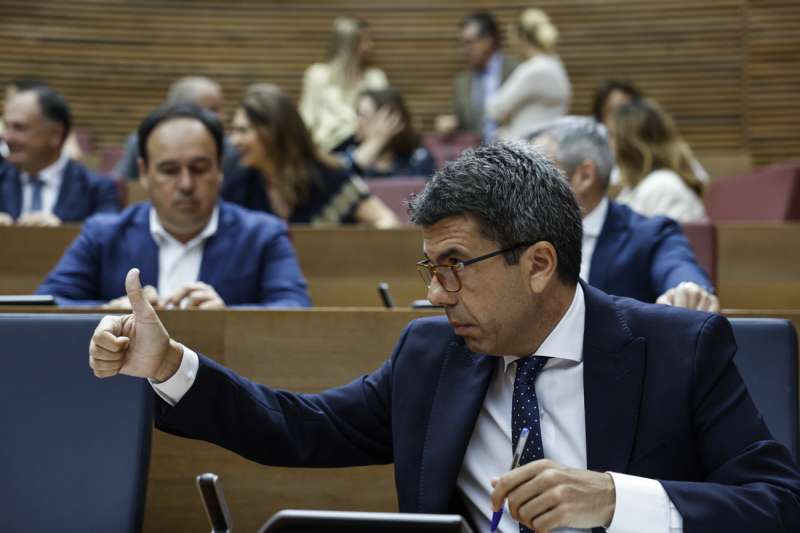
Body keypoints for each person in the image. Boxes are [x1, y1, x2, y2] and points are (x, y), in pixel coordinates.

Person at [90, 141, 800, 533]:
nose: (435, 294)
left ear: (539, 263)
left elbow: (776, 501)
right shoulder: (432, 354)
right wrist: (172, 364)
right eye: (431, 268)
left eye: (456, 266)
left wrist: (619, 499)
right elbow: (297, 428)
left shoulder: (680, 348)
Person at [37, 104, 310, 309]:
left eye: (199, 168)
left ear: (219, 170)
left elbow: (295, 310)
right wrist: (107, 313)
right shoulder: (103, 233)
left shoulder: (264, 235)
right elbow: (45, 305)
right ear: (143, 172)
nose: (186, 184)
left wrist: (229, 317)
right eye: (169, 170)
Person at [529, 116, 718, 309]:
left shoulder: (649, 234)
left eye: (539, 171)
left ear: (584, 176)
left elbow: (677, 268)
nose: (526, 183)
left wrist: (687, 290)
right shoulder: (519, 232)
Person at [223, 83, 399, 227]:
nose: (234, 141)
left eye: (243, 131)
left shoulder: (329, 177)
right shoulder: (239, 183)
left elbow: (387, 221)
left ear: (272, 132)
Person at [0, 85, 118, 226]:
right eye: (7, 127)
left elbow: (109, 241)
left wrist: (59, 234)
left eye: (19, 128)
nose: (6, 137)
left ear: (55, 134)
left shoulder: (97, 189)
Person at [113, 76, 241, 180]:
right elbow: (120, 186)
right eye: (213, 109)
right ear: (184, 109)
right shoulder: (140, 143)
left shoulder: (229, 149)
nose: (222, 117)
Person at [299, 17, 388, 153]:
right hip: (327, 151)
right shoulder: (318, 75)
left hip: (367, 151)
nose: (371, 45)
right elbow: (307, 119)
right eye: (366, 40)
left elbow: (383, 121)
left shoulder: (375, 79)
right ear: (350, 44)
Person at [613, 98, 707, 223]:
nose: (610, 143)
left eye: (612, 136)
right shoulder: (633, 188)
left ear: (629, 144)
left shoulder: (663, 187)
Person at [485, 8, 571, 140]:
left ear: (522, 38)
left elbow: (495, 109)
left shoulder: (533, 69)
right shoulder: (556, 65)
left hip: (523, 147)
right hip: (548, 146)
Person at [435, 12, 519, 140]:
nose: (465, 50)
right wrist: (448, 124)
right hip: (476, 155)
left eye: (469, 43)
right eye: (462, 44)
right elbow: (459, 121)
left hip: (513, 150)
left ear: (488, 41)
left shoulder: (517, 70)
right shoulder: (462, 82)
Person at [337, 88, 435, 178]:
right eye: (357, 114)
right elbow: (335, 183)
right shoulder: (346, 153)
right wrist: (376, 142)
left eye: (363, 116)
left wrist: (381, 137)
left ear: (391, 121)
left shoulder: (417, 159)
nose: (357, 121)